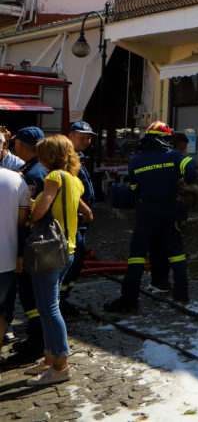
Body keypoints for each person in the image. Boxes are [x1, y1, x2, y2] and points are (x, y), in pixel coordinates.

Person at [104, 121, 196, 313]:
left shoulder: (135, 160)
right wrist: (184, 181)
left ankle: (129, 299)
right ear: (165, 139)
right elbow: (190, 165)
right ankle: (182, 292)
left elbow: (134, 188)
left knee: (137, 255)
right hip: (170, 208)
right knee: (176, 250)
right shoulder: (173, 156)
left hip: (146, 210)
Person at [23, 135, 92, 385]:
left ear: (50, 156)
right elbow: (77, 209)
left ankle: (61, 364)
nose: (40, 160)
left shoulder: (53, 177)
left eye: (43, 155)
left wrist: (30, 213)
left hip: (50, 248)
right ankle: (50, 357)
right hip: (68, 249)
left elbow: (43, 208)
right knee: (48, 306)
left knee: (49, 308)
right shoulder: (74, 179)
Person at [3, 126, 50, 367]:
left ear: (22, 145)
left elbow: (25, 220)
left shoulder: (32, 175)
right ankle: (37, 341)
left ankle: (36, 345)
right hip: (39, 244)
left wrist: (19, 254)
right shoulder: (39, 170)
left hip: (31, 245)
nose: (13, 147)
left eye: (15, 143)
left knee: (32, 301)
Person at [59, 121, 97, 314]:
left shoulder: (78, 156)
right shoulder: (65, 158)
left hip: (80, 220)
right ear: (70, 136)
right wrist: (86, 210)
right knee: (71, 260)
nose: (87, 140)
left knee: (77, 260)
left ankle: (62, 299)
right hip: (73, 219)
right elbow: (69, 189)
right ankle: (58, 301)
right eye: (82, 137)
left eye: (89, 137)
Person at [148, 131, 194, 293]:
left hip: (152, 210)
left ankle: (157, 281)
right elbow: (187, 182)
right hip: (172, 208)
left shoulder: (153, 158)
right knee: (172, 247)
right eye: (183, 147)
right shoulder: (179, 160)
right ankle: (172, 284)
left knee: (156, 246)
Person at [0, 162, 30, 357]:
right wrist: (20, 254)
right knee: (1, 311)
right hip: (6, 258)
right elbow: (22, 222)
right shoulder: (16, 180)